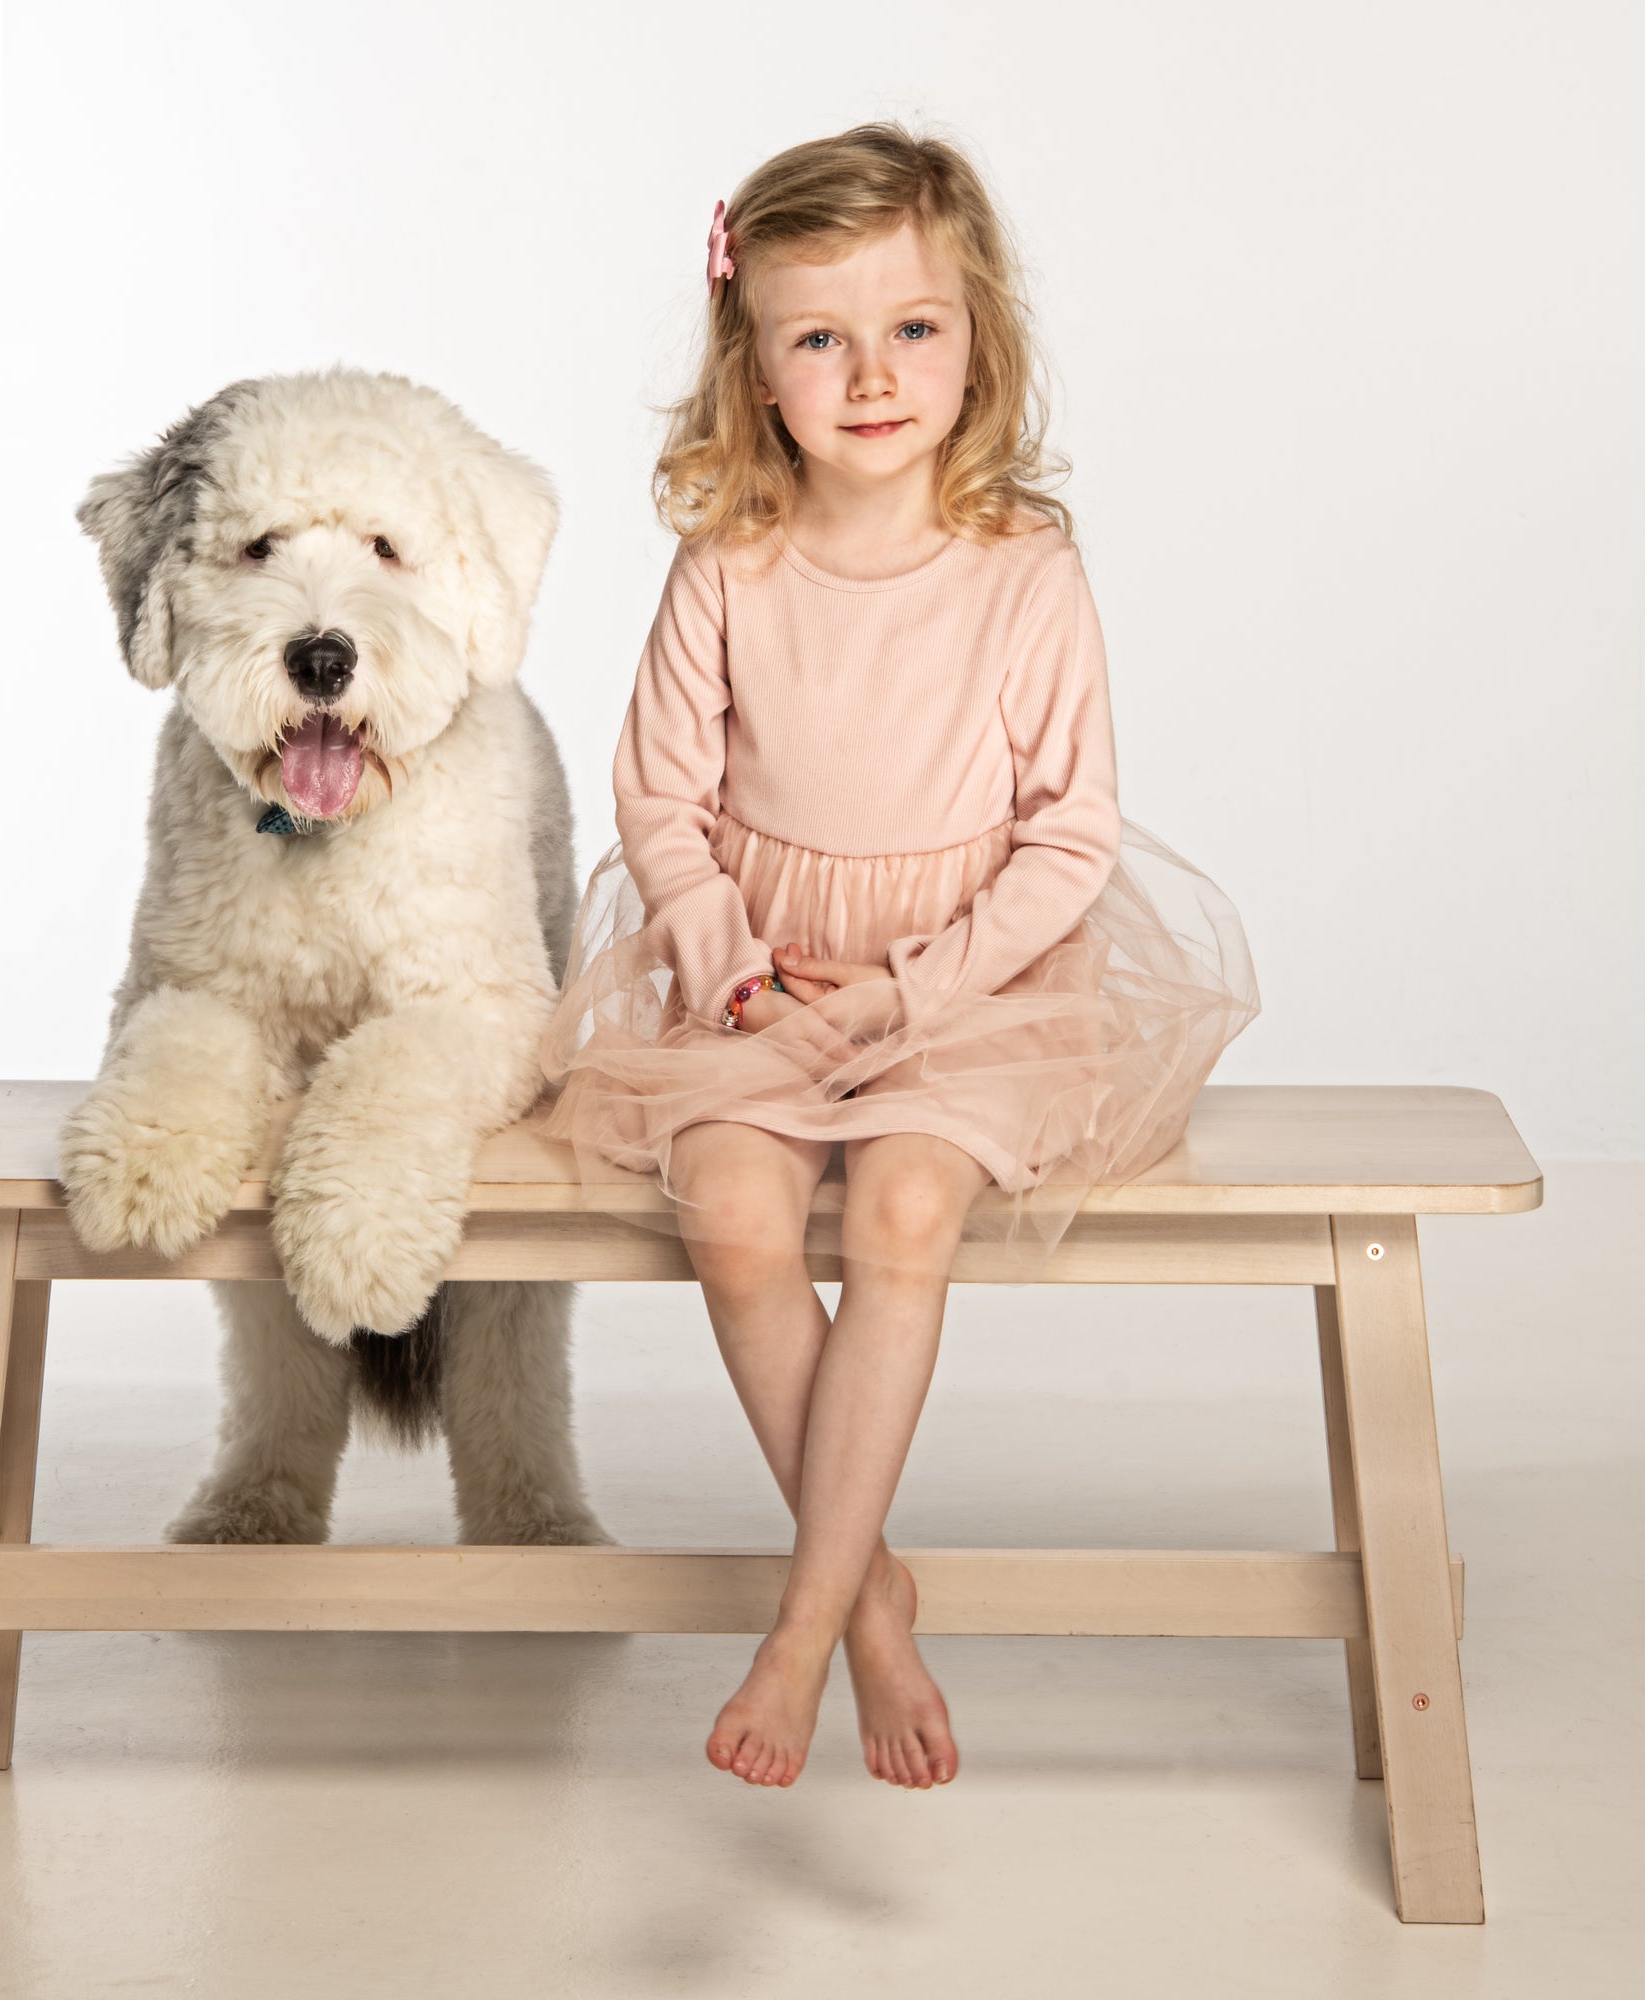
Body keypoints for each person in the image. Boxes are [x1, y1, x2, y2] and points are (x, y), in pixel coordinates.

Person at [532, 124, 1260, 1796]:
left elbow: (1070, 836)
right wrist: (727, 962)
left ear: (977, 340)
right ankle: (870, 1597)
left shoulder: (1023, 568)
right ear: (757, 366)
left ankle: (804, 1629)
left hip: (969, 992)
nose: (871, 376)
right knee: (734, 1208)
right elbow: (661, 790)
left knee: (910, 1206)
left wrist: (912, 994)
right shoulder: (730, 556)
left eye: (911, 329)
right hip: (760, 979)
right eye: (819, 338)